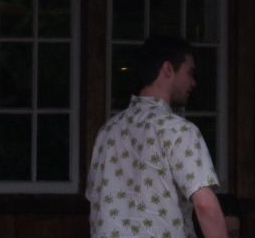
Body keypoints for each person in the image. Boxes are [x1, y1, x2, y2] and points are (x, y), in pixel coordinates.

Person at [88, 35, 227, 238]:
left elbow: (96, 202)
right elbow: (205, 205)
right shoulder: (179, 130)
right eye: (190, 73)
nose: (193, 82)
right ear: (168, 69)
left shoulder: (107, 132)